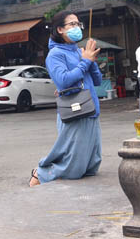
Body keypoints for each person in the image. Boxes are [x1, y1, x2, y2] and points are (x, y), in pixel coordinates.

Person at [30, 11, 102, 187]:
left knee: (91, 164)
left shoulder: (79, 51)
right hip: (75, 110)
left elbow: (98, 80)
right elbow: (63, 81)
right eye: (72, 24)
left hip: (90, 108)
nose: (77, 28)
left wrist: (90, 61)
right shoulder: (55, 54)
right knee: (73, 166)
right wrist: (85, 62)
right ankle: (41, 174)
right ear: (60, 29)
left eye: (78, 24)